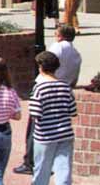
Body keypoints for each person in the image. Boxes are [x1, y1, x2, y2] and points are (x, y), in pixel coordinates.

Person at [13, 24, 82, 176]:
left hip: (46, 87)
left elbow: (45, 61)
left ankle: (30, 162)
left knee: (34, 127)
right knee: (56, 128)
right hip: (63, 90)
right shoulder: (77, 54)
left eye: (56, 32)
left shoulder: (57, 47)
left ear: (60, 36)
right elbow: (75, 79)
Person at [21, 51, 78, 185]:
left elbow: (35, 113)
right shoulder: (65, 86)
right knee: (64, 170)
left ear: (41, 67)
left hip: (45, 135)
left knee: (42, 169)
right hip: (65, 133)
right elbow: (73, 111)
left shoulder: (39, 88)